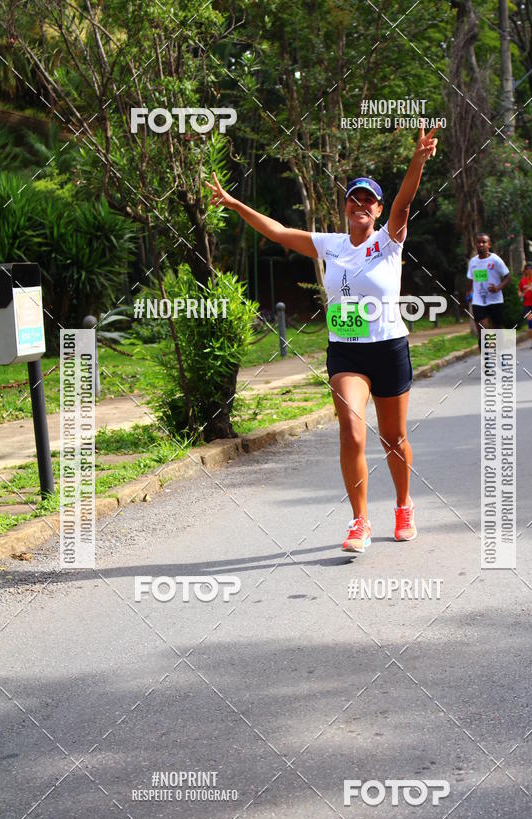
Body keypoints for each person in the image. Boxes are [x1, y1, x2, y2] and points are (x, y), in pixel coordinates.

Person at [205, 126, 440, 553]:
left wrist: (418, 159)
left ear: (379, 209)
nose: (361, 205)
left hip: (389, 348)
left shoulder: (389, 241)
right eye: (355, 198)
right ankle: (359, 521)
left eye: (369, 200)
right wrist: (236, 203)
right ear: (346, 207)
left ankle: (404, 505)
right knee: (351, 432)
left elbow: (405, 200)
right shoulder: (330, 245)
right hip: (346, 351)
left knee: (393, 437)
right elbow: (277, 232)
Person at [466, 234, 511, 348]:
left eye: (484, 242)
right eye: (478, 242)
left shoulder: (495, 260)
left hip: (495, 300)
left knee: (497, 330)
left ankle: (499, 353)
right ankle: (487, 361)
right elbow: (471, 278)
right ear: (475, 244)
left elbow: (507, 277)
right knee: (483, 331)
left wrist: (498, 288)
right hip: (479, 301)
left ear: (489, 245)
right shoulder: (473, 262)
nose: (481, 244)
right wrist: (468, 292)